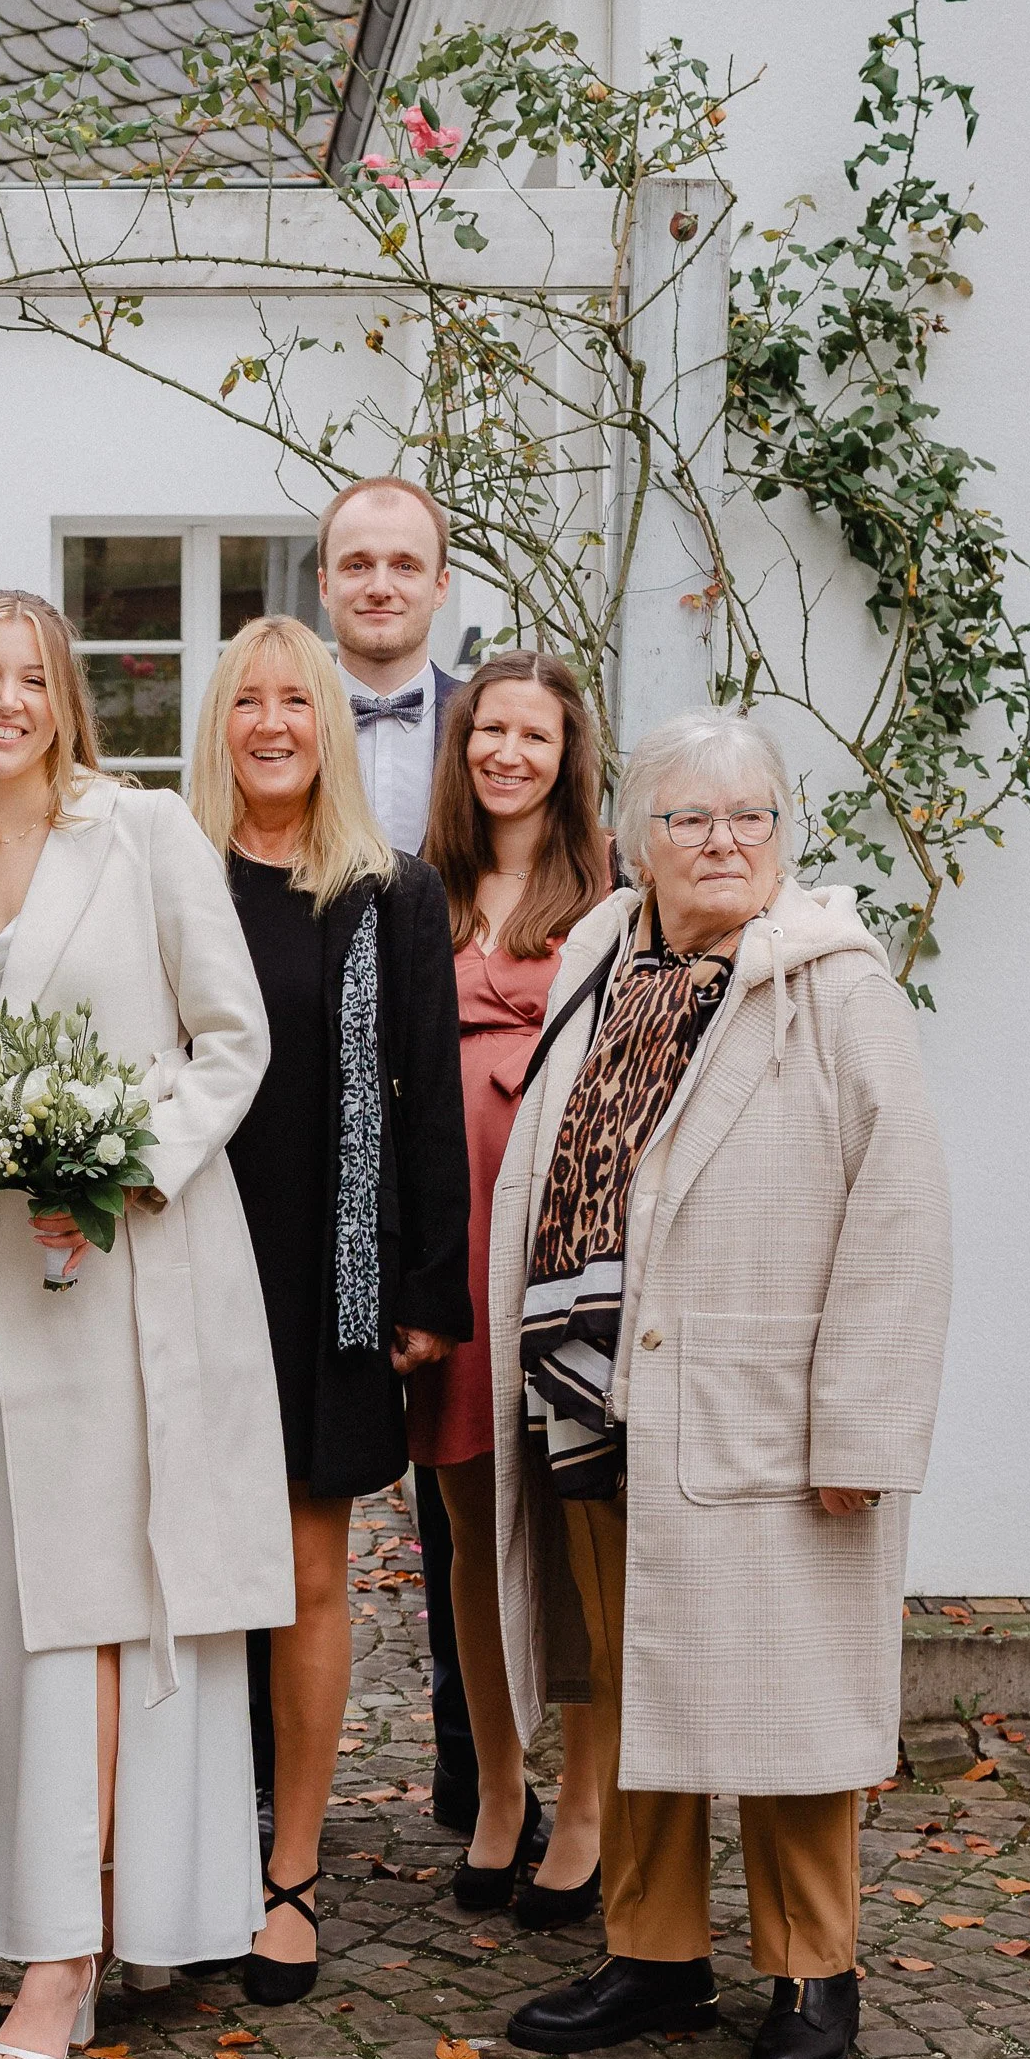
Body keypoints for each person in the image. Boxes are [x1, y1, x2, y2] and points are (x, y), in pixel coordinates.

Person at [493, 712, 951, 2059]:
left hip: (762, 1410)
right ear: (636, 842)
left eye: (750, 816)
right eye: (689, 818)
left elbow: (903, 1217)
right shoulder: (600, 960)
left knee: (788, 1697)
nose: (722, 841)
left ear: (783, 835)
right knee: (636, 1684)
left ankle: (816, 1972)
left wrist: (859, 1429)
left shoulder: (835, 987)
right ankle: (656, 1955)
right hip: (596, 1395)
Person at [0, 592, 294, 2059]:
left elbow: (233, 1036)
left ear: (66, 697)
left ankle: (65, 1953)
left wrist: (121, 1165)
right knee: (25, 1610)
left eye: (32, 676)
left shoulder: (140, 832)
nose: (5, 699)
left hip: (129, 1263)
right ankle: (78, 1910)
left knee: (102, 1604)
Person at [189, 615, 469, 2008]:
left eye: (297, 700)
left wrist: (426, 1289)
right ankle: (187, 1858)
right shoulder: (172, 875)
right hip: (189, 1266)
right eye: (249, 701)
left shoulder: (389, 892)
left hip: (329, 1275)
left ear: (330, 725)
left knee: (307, 1576)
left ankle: (290, 1873)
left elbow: (429, 1092)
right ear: (219, 724)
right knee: (190, 1580)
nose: (273, 723)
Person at [407, 654, 611, 1925]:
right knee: (469, 1536)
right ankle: (496, 1789)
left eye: (534, 736)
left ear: (566, 754)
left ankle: (585, 1805)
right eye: (490, 730)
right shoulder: (415, 891)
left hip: (558, 1240)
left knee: (577, 1533)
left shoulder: (611, 897)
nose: (507, 754)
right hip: (450, 1237)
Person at [308, 478, 481, 1833]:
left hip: (456, 1127)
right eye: (355, 562)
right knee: (294, 1489)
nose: (379, 584)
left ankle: (482, 1771)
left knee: (466, 1491)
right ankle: (268, 1787)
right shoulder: (271, 719)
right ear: (324, 583)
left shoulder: (496, 728)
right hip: (303, 1147)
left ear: (439, 584)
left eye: (402, 563)